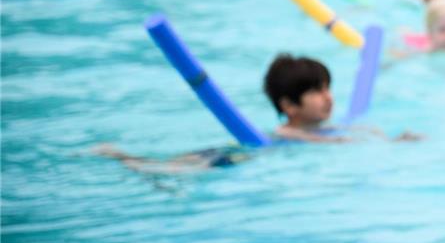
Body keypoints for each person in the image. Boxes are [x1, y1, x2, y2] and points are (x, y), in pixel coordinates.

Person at [93, 55, 415, 173]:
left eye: (328, 88)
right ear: (289, 106)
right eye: (317, 92)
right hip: (244, 155)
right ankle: (129, 159)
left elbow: (351, 134)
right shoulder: (287, 131)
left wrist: (391, 140)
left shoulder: (328, 129)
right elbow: (322, 141)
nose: (328, 97)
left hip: (256, 155)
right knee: (178, 166)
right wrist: (346, 141)